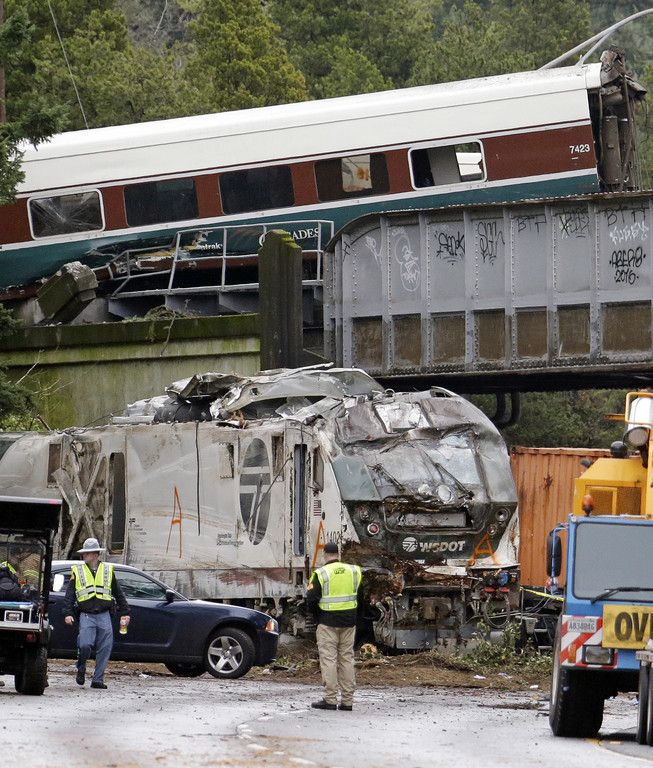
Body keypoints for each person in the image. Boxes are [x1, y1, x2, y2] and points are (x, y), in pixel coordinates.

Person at [63, 537, 130, 689]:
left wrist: (125, 612)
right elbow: (70, 595)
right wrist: (68, 613)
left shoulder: (107, 570)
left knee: (105, 648)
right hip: (86, 614)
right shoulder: (78, 571)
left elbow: (118, 593)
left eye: (86, 553)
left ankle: (97, 679)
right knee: (85, 645)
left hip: (104, 614)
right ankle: (81, 666)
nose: (84, 556)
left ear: (94, 554)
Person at [306, 542, 363, 711]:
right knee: (347, 659)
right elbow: (361, 598)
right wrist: (355, 618)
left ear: (325, 554)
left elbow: (311, 600)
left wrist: (318, 618)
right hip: (349, 621)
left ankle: (330, 699)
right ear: (339, 554)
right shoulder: (354, 571)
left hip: (327, 622)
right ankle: (347, 701)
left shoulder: (321, 573)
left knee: (329, 660)